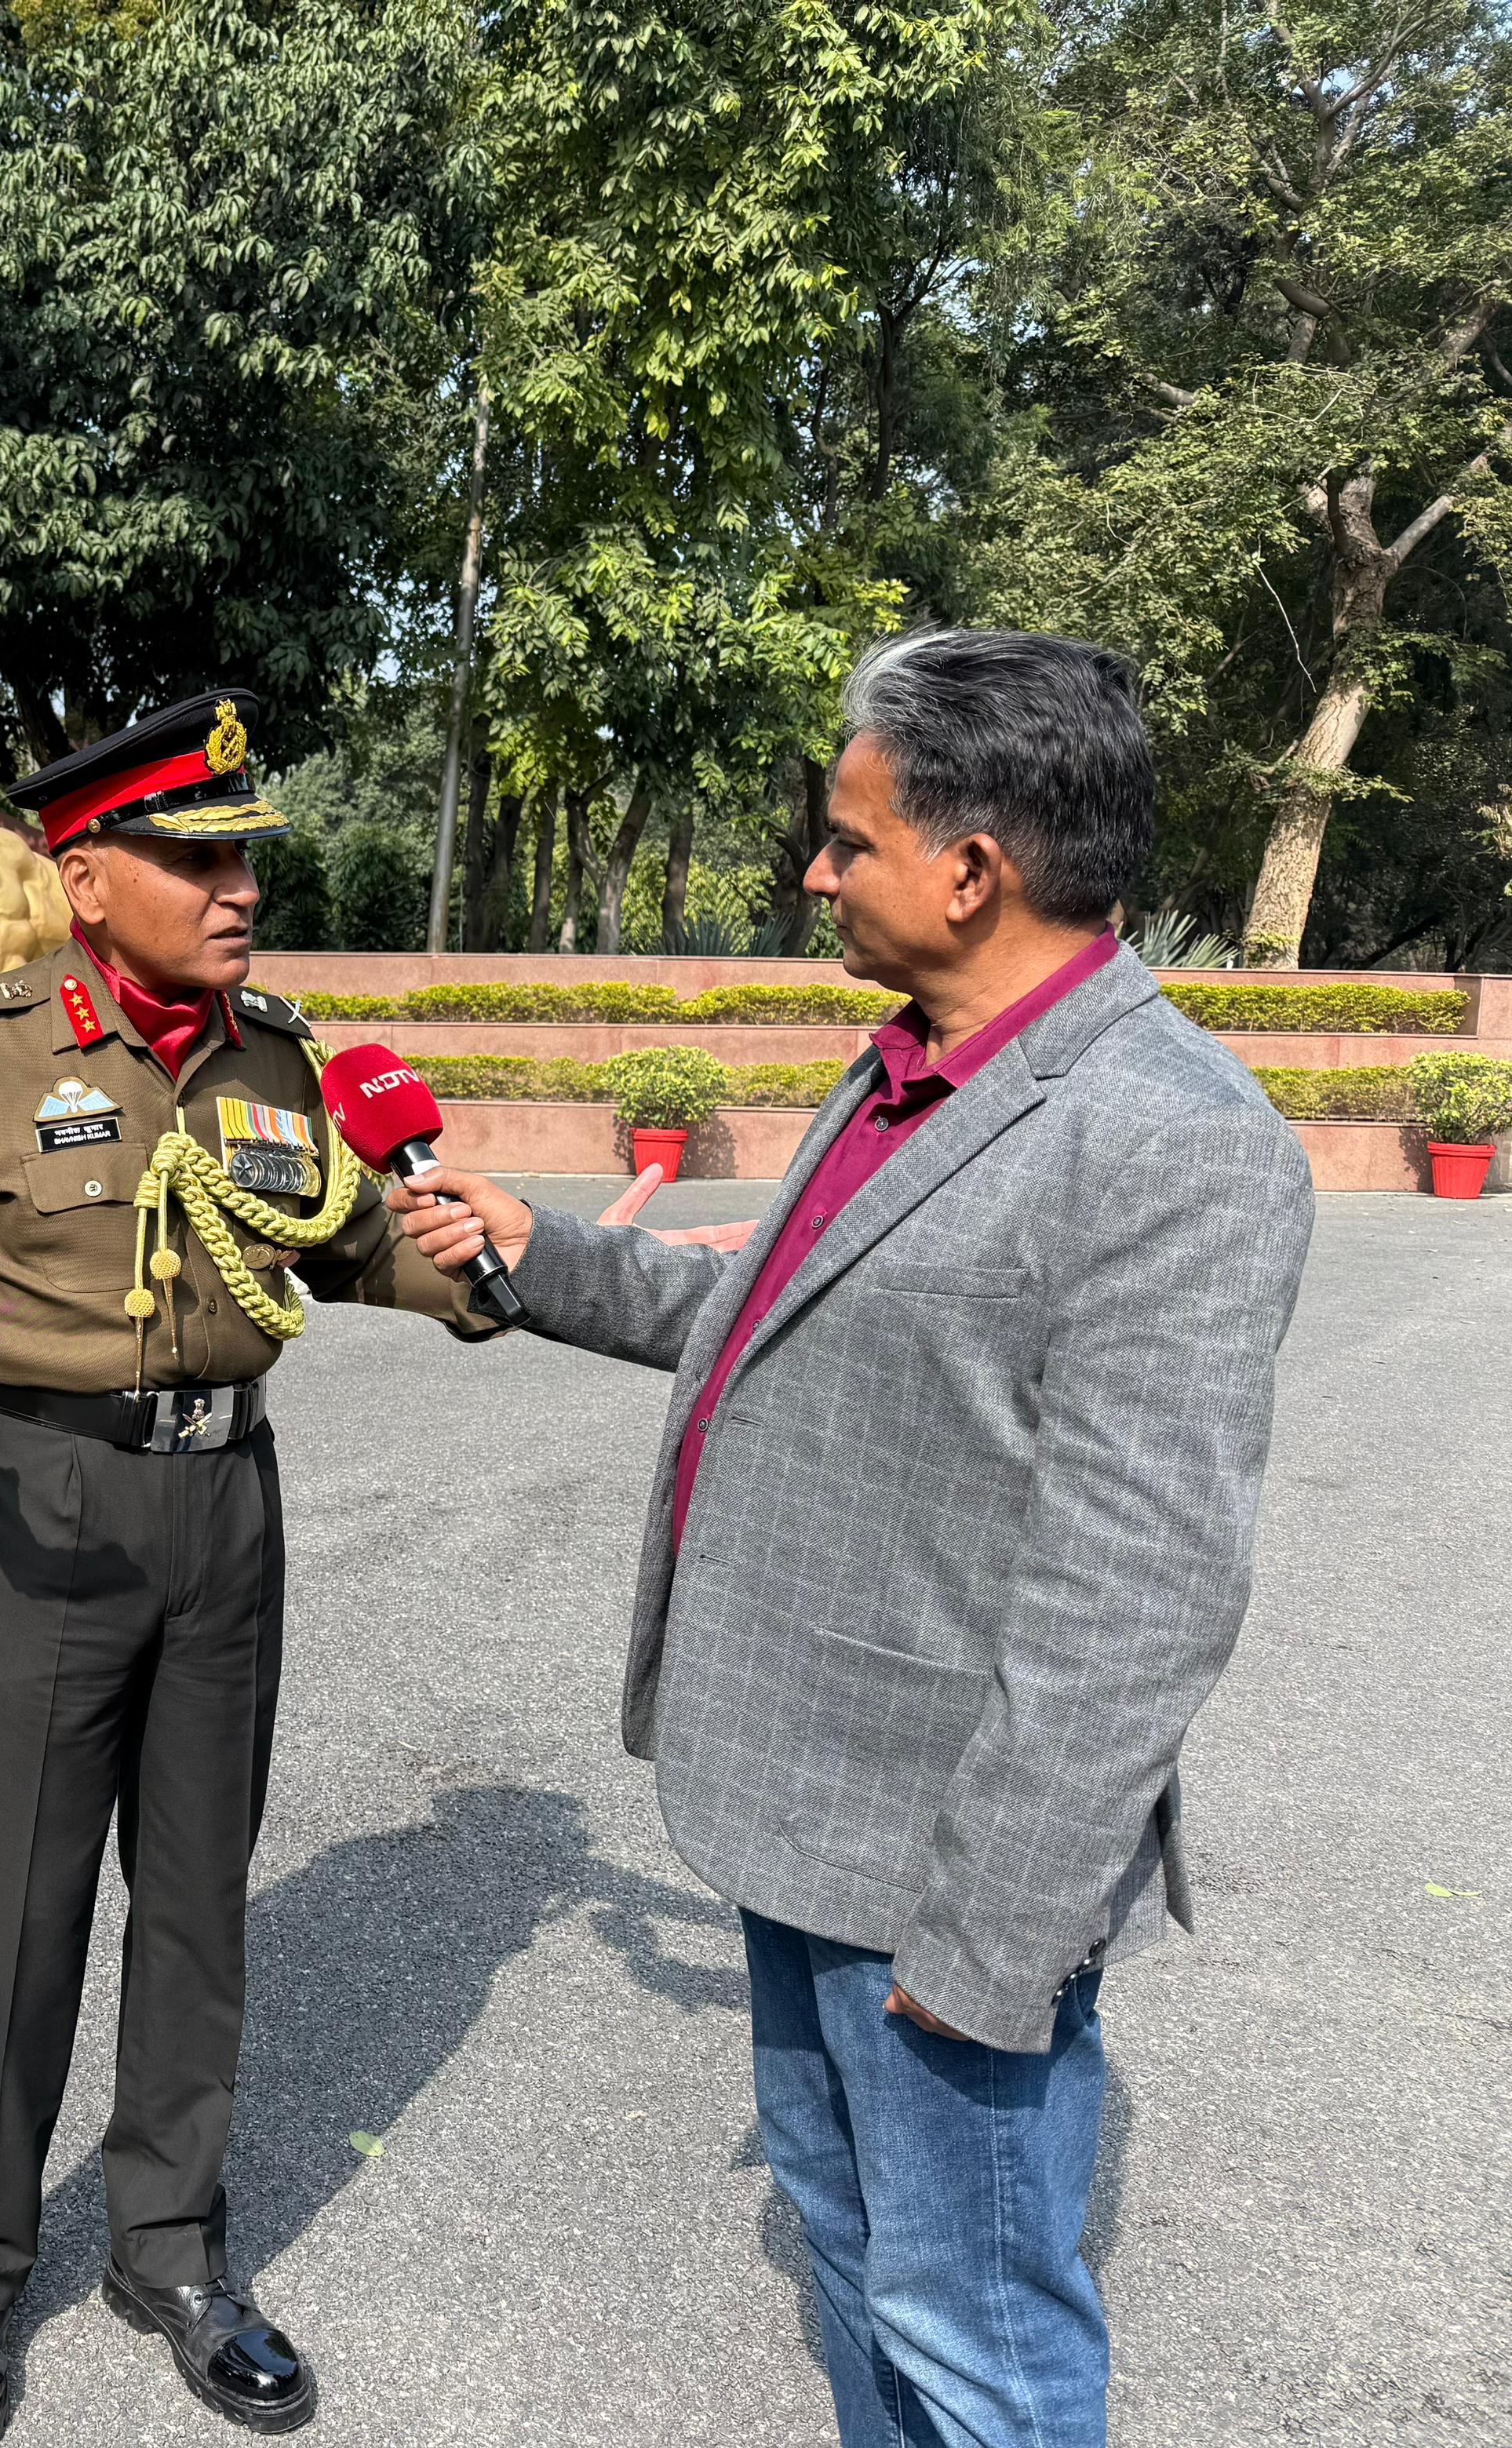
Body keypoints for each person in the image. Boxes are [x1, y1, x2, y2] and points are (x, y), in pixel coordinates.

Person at [398, 629, 1313, 2448]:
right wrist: (539, 1253)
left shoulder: (1172, 1144)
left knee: (968, 2328)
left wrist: (983, 1950)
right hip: (797, 1813)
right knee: (845, 2245)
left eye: (846, 837)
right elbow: (777, 1317)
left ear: (972, 871)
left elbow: (1135, 1608)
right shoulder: (919, 1061)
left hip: (938, 1873)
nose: (814, 871)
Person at [0, 690, 501, 2444]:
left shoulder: (274, 1054)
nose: (234, 884)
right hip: (44, 1506)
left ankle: (168, 2248)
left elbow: (333, 1252)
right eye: (193, 856)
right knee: (17, 1909)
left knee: (196, 1900)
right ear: (86, 879)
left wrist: (481, 1269)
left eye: (243, 853)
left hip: (221, 1512)